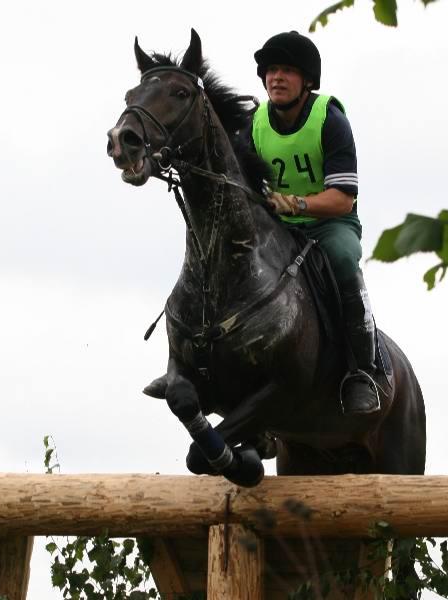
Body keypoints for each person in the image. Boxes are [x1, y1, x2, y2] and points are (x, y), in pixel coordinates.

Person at [144, 31, 380, 415]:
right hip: (276, 227)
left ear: (307, 81)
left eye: (287, 71)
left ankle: (362, 371)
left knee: (342, 260)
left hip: (328, 226)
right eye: (271, 71)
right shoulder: (255, 124)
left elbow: (342, 198)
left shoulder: (330, 120)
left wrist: (297, 202)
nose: (276, 78)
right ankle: (190, 366)